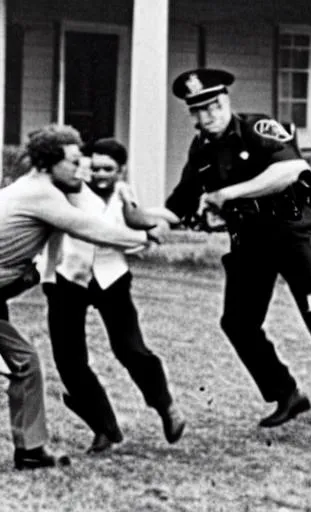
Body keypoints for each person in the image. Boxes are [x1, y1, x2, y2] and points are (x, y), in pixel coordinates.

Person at [162, 68, 311, 440]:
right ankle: (287, 394)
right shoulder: (201, 149)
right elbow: (178, 203)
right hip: (250, 243)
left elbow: (292, 169)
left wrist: (230, 194)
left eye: (212, 107)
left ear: (226, 102)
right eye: (198, 111)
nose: (206, 117)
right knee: (237, 323)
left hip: (293, 236)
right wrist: (136, 221)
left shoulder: (259, 128)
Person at [0, 124, 169, 470]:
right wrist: (145, 237)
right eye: (73, 162)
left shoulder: (31, 188)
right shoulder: (41, 194)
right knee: (25, 363)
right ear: (48, 164)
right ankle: (31, 450)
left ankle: (31, 449)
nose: (82, 169)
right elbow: (93, 229)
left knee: (22, 363)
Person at [39, 138, 185, 455]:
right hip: (68, 276)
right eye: (95, 168)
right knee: (69, 359)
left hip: (112, 276)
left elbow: (134, 217)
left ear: (121, 170)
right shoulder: (69, 190)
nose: (100, 175)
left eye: (109, 169)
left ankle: (165, 406)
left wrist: (156, 222)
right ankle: (103, 427)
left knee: (131, 348)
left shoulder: (123, 191)